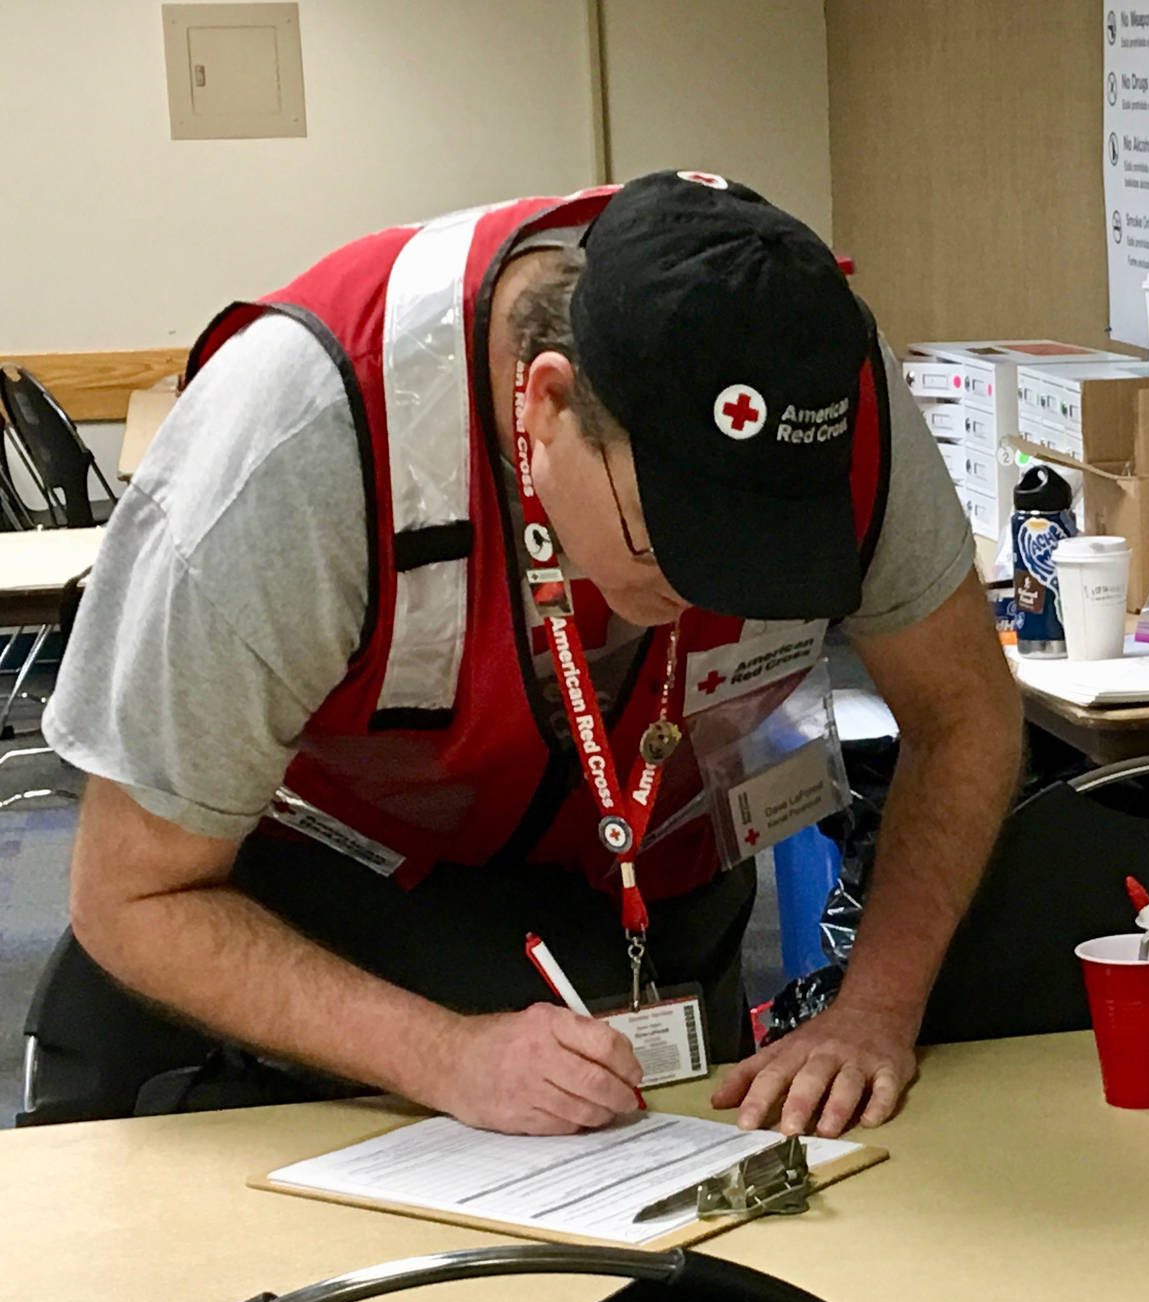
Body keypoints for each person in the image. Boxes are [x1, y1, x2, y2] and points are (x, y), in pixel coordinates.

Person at [48, 172, 1022, 1139]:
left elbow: (963, 716)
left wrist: (873, 1015)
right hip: (322, 921)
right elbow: (133, 891)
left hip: (660, 887)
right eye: (667, 545)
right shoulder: (297, 439)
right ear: (547, 407)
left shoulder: (822, 394)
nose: (717, 598)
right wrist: (442, 1053)